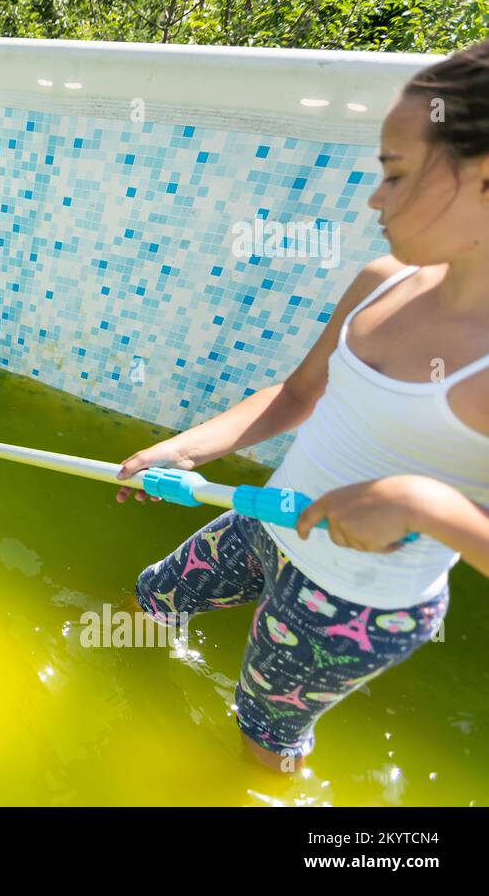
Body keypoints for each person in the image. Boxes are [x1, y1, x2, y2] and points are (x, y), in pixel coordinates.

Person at [116, 38, 489, 770]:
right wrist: (191, 447)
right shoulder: (382, 282)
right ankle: (117, 694)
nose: (376, 198)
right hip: (266, 519)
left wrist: (421, 505)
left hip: (351, 603)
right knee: (151, 600)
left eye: (396, 174)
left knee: (262, 735)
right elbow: (299, 393)